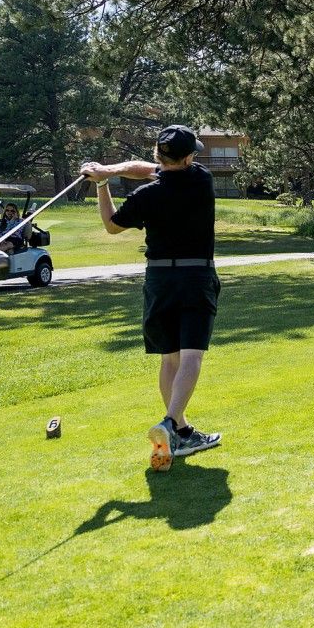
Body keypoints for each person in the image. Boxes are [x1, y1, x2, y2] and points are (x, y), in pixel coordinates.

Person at [80, 125, 222, 471]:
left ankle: (184, 431)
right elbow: (149, 169)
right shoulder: (201, 179)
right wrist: (109, 171)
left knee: (169, 358)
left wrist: (103, 181)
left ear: (160, 155)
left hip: (159, 279)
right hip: (196, 275)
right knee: (192, 355)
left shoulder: (146, 195)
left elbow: (111, 225)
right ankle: (172, 424)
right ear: (188, 158)